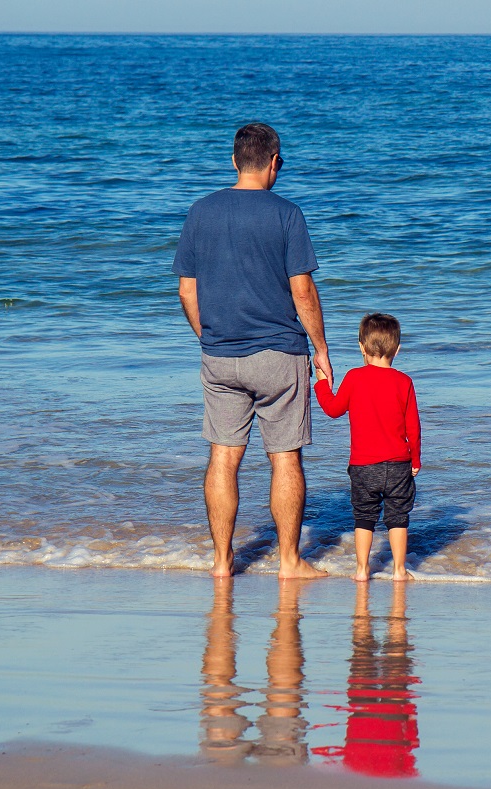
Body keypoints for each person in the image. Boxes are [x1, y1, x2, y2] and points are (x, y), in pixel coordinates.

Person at [174, 122, 332, 579]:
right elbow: (302, 290)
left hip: (219, 353)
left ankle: (223, 563)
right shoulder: (287, 214)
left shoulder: (200, 211)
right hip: (279, 353)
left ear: (234, 161)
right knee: (284, 458)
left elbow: (187, 290)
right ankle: (288, 562)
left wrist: (208, 335)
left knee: (223, 455)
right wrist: (321, 350)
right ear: (275, 162)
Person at [314, 313, 421, 581]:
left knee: (364, 517)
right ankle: (399, 570)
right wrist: (415, 460)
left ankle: (362, 570)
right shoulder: (404, 382)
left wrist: (321, 385)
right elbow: (413, 428)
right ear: (397, 349)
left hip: (363, 465)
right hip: (398, 464)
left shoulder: (354, 377)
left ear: (361, 347)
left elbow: (333, 409)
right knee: (398, 516)